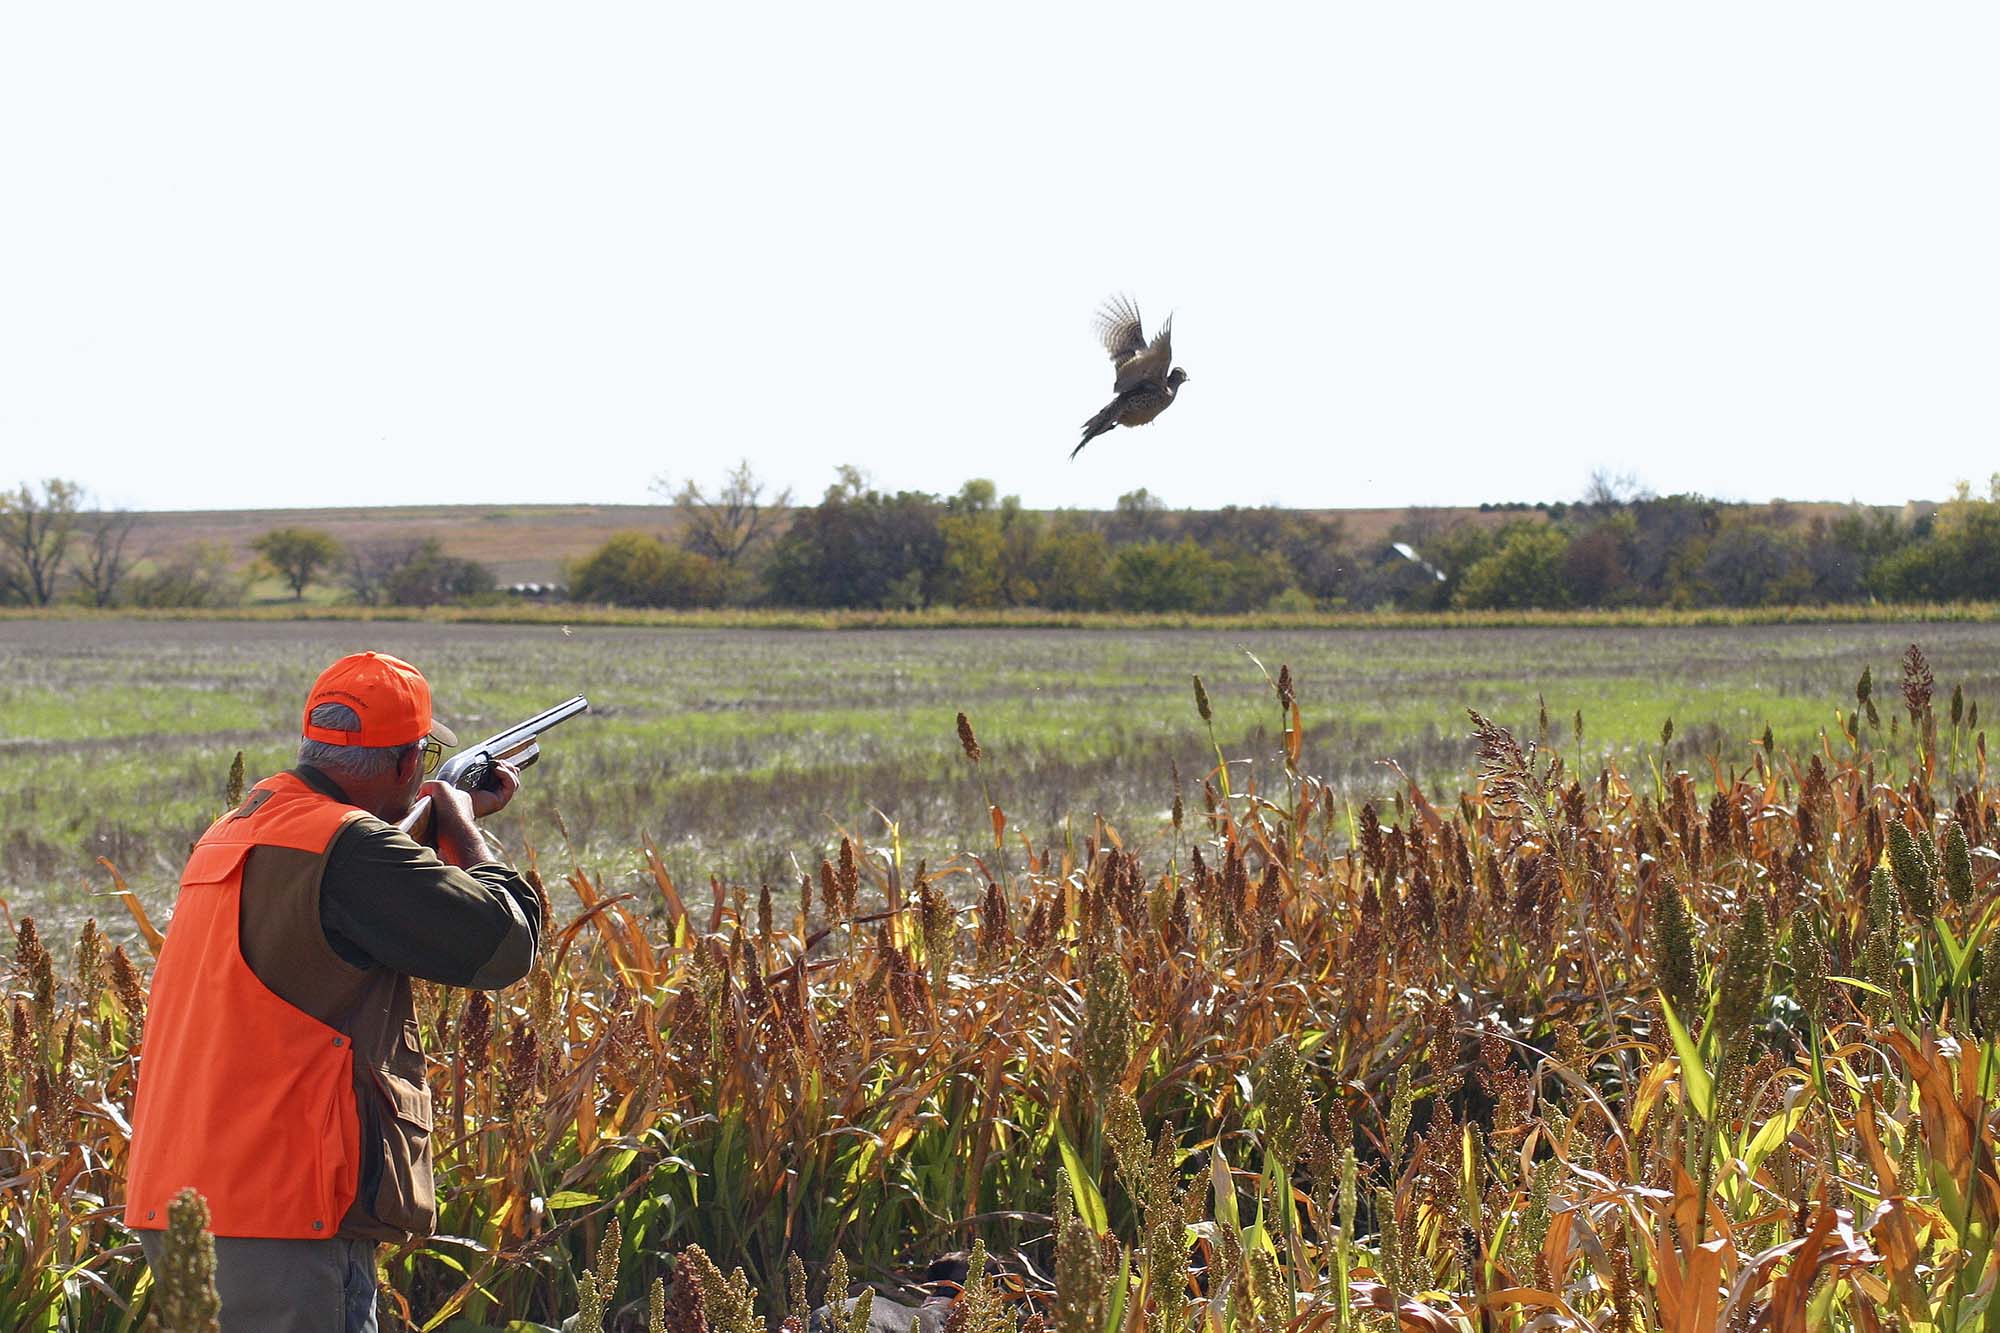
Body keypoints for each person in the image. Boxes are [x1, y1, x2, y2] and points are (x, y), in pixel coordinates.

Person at [124, 651, 545, 1332]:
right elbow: (506, 940)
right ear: (409, 764)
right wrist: (461, 821)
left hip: (180, 1207)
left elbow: (343, 923)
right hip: (284, 1217)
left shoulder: (234, 829)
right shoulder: (348, 845)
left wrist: (425, 828)